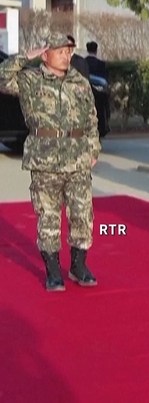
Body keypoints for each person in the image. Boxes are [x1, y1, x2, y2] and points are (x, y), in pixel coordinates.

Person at [0, 32, 100, 291]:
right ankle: (53, 271)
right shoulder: (30, 79)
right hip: (45, 159)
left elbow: (91, 119)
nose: (66, 56)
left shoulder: (79, 82)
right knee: (48, 216)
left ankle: (78, 265)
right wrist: (25, 56)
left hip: (77, 158)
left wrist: (93, 150)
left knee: (82, 214)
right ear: (45, 54)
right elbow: (2, 77)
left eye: (68, 51)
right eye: (60, 51)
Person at [85, 41, 111, 138]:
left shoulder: (83, 63)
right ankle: (101, 129)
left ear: (87, 50)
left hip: (87, 91)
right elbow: (105, 80)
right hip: (100, 93)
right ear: (96, 50)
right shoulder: (101, 64)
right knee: (100, 112)